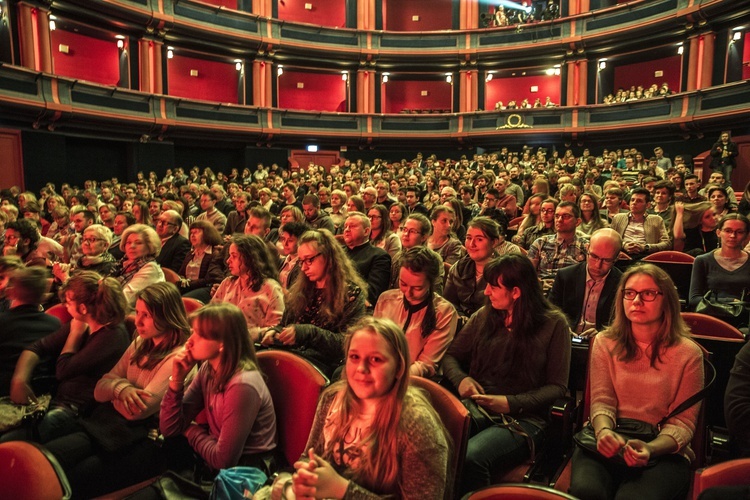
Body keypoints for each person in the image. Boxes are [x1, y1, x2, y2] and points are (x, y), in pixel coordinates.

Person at [274, 317, 449, 500]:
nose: (361, 368)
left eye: (375, 359)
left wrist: (342, 490)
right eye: (354, 357)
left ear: (399, 368)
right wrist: (301, 481)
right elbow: (309, 457)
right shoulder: (332, 399)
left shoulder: (417, 424)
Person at [569, 264, 704, 500]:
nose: (636, 301)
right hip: (607, 436)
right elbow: (602, 400)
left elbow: (682, 425)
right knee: (587, 492)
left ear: (667, 300)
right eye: (629, 293)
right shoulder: (605, 341)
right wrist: (603, 432)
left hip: (662, 449)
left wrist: (650, 449)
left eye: (648, 293)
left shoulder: (688, 353)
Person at [43, 282, 191, 498]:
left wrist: (113, 388)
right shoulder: (141, 342)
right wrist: (121, 390)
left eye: (146, 315)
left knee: (71, 480)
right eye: (137, 312)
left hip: (141, 441)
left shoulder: (178, 359)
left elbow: (136, 411)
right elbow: (99, 389)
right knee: (48, 459)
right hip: (106, 426)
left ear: (168, 316)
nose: (137, 321)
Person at [442, 254, 571, 495]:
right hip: (479, 405)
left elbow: (557, 387)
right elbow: (451, 357)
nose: (486, 292)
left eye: (493, 286)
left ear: (516, 292)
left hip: (524, 418)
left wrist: (511, 403)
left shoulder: (554, 324)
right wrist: (462, 380)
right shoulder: (486, 315)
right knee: (438, 442)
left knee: (471, 457)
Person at [4, 271, 130, 443]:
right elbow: (37, 347)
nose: (65, 306)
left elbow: (63, 371)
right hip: (55, 399)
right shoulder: (84, 321)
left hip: (77, 411)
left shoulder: (112, 335)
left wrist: (74, 335)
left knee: (9, 441)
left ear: (83, 308)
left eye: (69, 302)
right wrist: (19, 380)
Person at [161, 302, 277, 471]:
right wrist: (177, 380)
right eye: (192, 332)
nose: (190, 341)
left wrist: (191, 430)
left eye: (199, 335)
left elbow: (223, 461)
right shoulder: (209, 368)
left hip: (246, 472)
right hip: (215, 457)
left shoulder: (243, 385)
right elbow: (169, 428)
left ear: (222, 343)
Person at [260, 229, 366, 377]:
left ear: (329, 257)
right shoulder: (302, 290)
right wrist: (275, 332)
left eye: (309, 260)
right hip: (291, 357)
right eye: (301, 262)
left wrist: (308, 332)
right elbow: (284, 325)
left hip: (322, 366)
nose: (304, 268)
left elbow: (347, 343)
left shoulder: (351, 294)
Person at [374, 247, 458, 378]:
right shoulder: (386, 299)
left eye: (417, 288)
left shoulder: (444, 313)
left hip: (411, 379)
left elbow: (426, 364)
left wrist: (395, 377)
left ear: (431, 283)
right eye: (403, 284)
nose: (408, 292)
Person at [549, 228, 624, 336]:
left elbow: (623, 324)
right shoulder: (565, 276)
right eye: (594, 256)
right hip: (566, 337)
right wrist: (562, 329)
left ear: (617, 258)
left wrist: (604, 334)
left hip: (605, 342)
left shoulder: (622, 283)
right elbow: (551, 313)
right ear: (587, 248)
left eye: (606, 260)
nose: (598, 265)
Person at [0, 267, 61, 396]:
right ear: (43, 296)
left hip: (6, 391)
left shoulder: (3, 321)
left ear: (11, 292)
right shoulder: (55, 324)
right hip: (41, 393)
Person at [212, 234, 284, 342]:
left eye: (234, 256)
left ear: (250, 258)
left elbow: (276, 329)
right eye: (229, 256)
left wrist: (250, 335)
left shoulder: (270, 288)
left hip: (251, 348)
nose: (228, 261)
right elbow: (211, 316)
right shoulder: (227, 283)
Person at [689, 214, 750, 317]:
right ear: (718, 232)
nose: (732, 236)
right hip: (711, 316)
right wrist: (730, 301)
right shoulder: (702, 260)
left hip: (744, 318)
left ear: (747, 236)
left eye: (739, 232)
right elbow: (694, 299)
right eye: (728, 231)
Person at [444, 217, 502, 320]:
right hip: (457, 322)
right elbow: (448, 303)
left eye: (479, 239)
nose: (472, 244)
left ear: (494, 242)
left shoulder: (503, 272)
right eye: (469, 238)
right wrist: (461, 318)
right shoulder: (459, 267)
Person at [342, 212, 392, 308]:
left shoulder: (379, 256)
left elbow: (373, 293)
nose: (347, 230)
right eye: (345, 226)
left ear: (366, 231)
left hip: (356, 308)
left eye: (352, 226)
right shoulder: (338, 252)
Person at [111, 224, 165, 305]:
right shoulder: (122, 264)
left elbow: (124, 299)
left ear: (150, 246)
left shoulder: (151, 269)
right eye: (128, 242)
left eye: (138, 243)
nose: (132, 246)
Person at [176, 220, 226, 303]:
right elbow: (181, 273)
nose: (192, 235)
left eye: (196, 232)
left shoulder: (214, 253)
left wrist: (187, 283)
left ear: (207, 234)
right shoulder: (190, 253)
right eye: (191, 233)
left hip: (206, 288)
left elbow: (209, 279)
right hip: (188, 287)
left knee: (182, 300)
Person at [51, 224, 116, 283]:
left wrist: (64, 277)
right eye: (84, 239)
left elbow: (86, 293)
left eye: (92, 239)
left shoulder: (108, 267)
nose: (85, 243)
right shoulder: (83, 259)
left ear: (105, 245)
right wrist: (63, 271)